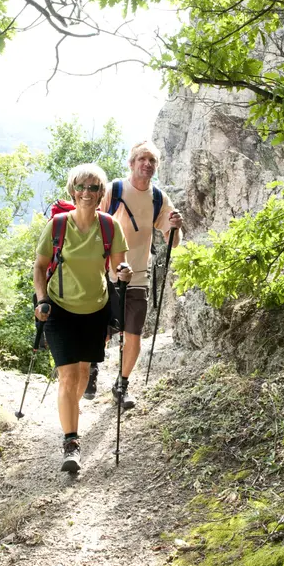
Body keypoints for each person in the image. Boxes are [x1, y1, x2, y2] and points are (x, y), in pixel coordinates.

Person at [34, 163, 131, 473]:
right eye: (81, 187)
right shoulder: (58, 225)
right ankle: (71, 442)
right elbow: (39, 266)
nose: (87, 193)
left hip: (95, 309)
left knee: (82, 372)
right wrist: (41, 299)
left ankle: (69, 412)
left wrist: (123, 273)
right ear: (72, 191)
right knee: (67, 375)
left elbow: (118, 268)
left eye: (93, 188)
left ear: (102, 193)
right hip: (59, 309)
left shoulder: (109, 227)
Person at [84, 141, 182, 408]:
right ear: (131, 163)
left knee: (134, 335)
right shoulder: (115, 190)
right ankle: (92, 370)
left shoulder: (158, 198)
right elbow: (90, 222)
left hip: (139, 275)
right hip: (105, 274)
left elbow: (173, 241)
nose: (147, 164)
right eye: (142, 159)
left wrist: (175, 226)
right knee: (101, 331)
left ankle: (122, 385)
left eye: (152, 161)